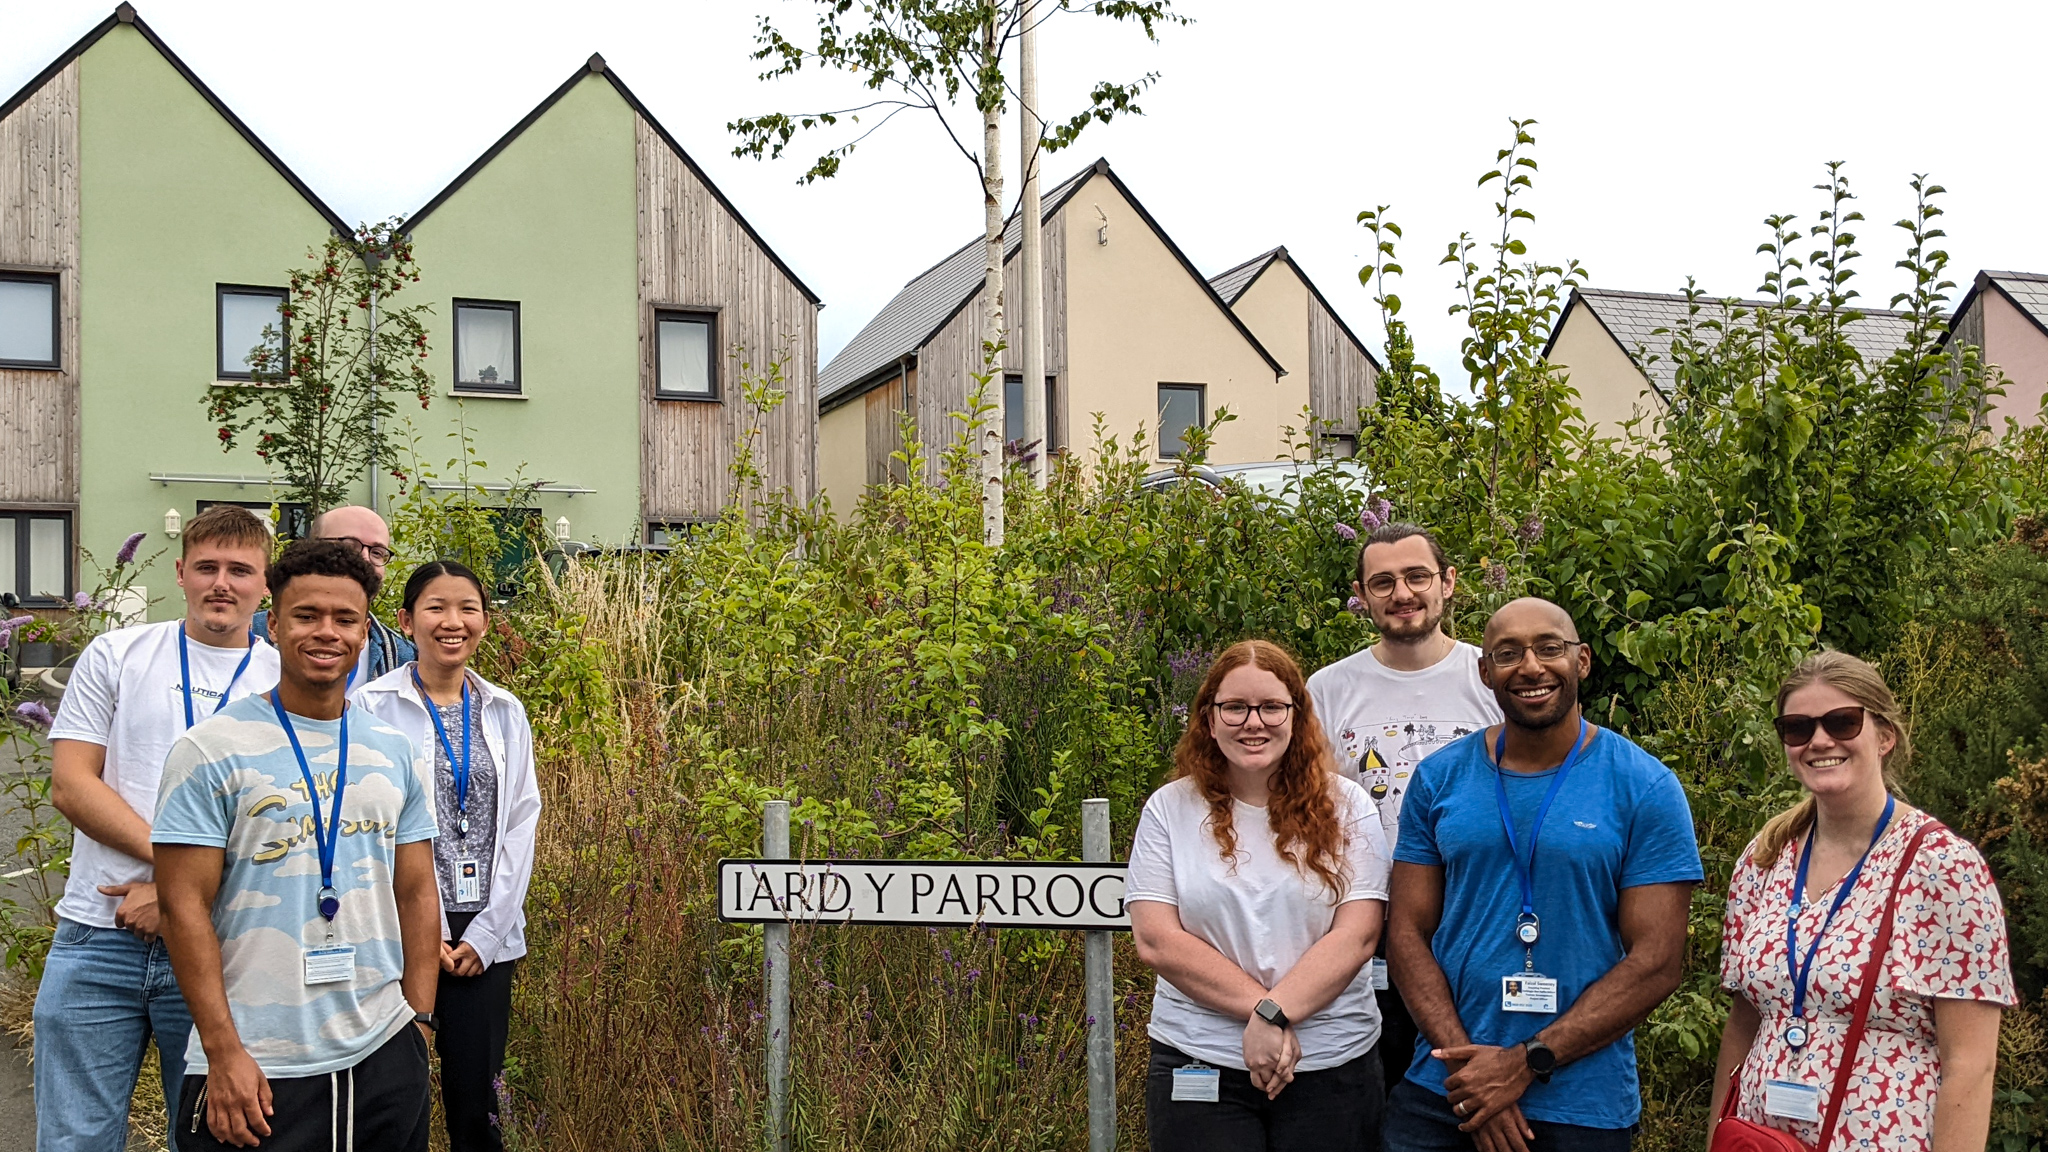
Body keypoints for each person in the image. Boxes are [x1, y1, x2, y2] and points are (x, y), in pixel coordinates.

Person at [153, 538, 441, 1150]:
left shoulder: (394, 751)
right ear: (274, 625)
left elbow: (416, 889)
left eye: (345, 619)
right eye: (306, 616)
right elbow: (182, 908)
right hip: (257, 1070)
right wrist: (223, 1050)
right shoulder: (210, 751)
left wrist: (417, 1021)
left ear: (367, 633)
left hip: (381, 1053)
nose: (326, 632)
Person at [1384, 597, 1702, 1151]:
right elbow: (1407, 934)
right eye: (1507, 653)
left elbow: (1657, 961)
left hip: (1582, 1104)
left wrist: (1522, 1064)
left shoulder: (1643, 787)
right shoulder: (1439, 779)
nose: (1530, 667)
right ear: (1484, 673)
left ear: (1580, 661)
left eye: (1549, 648)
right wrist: (1471, 1077)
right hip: (1442, 1093)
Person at [36, 505, 280, 1151]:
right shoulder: (117, 653)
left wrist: (177, 897)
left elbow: (290, 825)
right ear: (180, 572)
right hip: (96, 935)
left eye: (239, 570)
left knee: (209, 1138)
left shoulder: (284, 680)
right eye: (207, 567)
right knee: (72, 1141)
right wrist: (175, 874)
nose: (221, 583)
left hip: (223, 949)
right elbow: (71, 783)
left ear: (265, 584)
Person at [1708, 651, 2010, 1150]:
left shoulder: (1943, 867)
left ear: (1884, 736)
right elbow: (1743, 1025)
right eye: (1798, 727)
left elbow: (1971, 1063)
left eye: (1843, 722)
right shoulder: (1765, 858)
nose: (1820, 740)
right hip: (1760, 1139)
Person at [1128, 639, 1391, 1152]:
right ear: (1208, 718)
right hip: (1199, 1059)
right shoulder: (1169, 810)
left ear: (1296, 713)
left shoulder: (1349, 805)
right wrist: (1265, 1014)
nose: (1254, 722)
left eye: (1272, 706)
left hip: (1333, 1065)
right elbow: (1157, 940)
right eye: (1235, 707)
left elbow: (1359, 934)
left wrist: (1272, 1016)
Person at [1308, 522, 1501, 1099]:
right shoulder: (1329, 689)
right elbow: (1309, 810)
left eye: (1417, 576)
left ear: (1448, 583)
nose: (1402, 593)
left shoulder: (1491, 678)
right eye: (1383, 582)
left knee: (1474, 1085)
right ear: (1362, 594)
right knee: (1382, 1095)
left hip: (1478, 918)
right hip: (1370, 931)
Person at [354, 561, 541, 1152]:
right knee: (390, 1095)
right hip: (397, 927)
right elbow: (363, 825)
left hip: (486, 933)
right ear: (407, 621)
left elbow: (520, 822)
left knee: (478, 1106)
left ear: (485, 621)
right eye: (436, 607)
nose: (452, 621)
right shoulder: (368, 707)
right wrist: (414, 930)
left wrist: (489, 933)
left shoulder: (505, 709)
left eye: (468, 608)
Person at [252, 506, 416, 683]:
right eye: (349, 546)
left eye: (377, 552)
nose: (365, 559)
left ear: (364, 632)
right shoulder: (249, 635)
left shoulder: (403, 657)